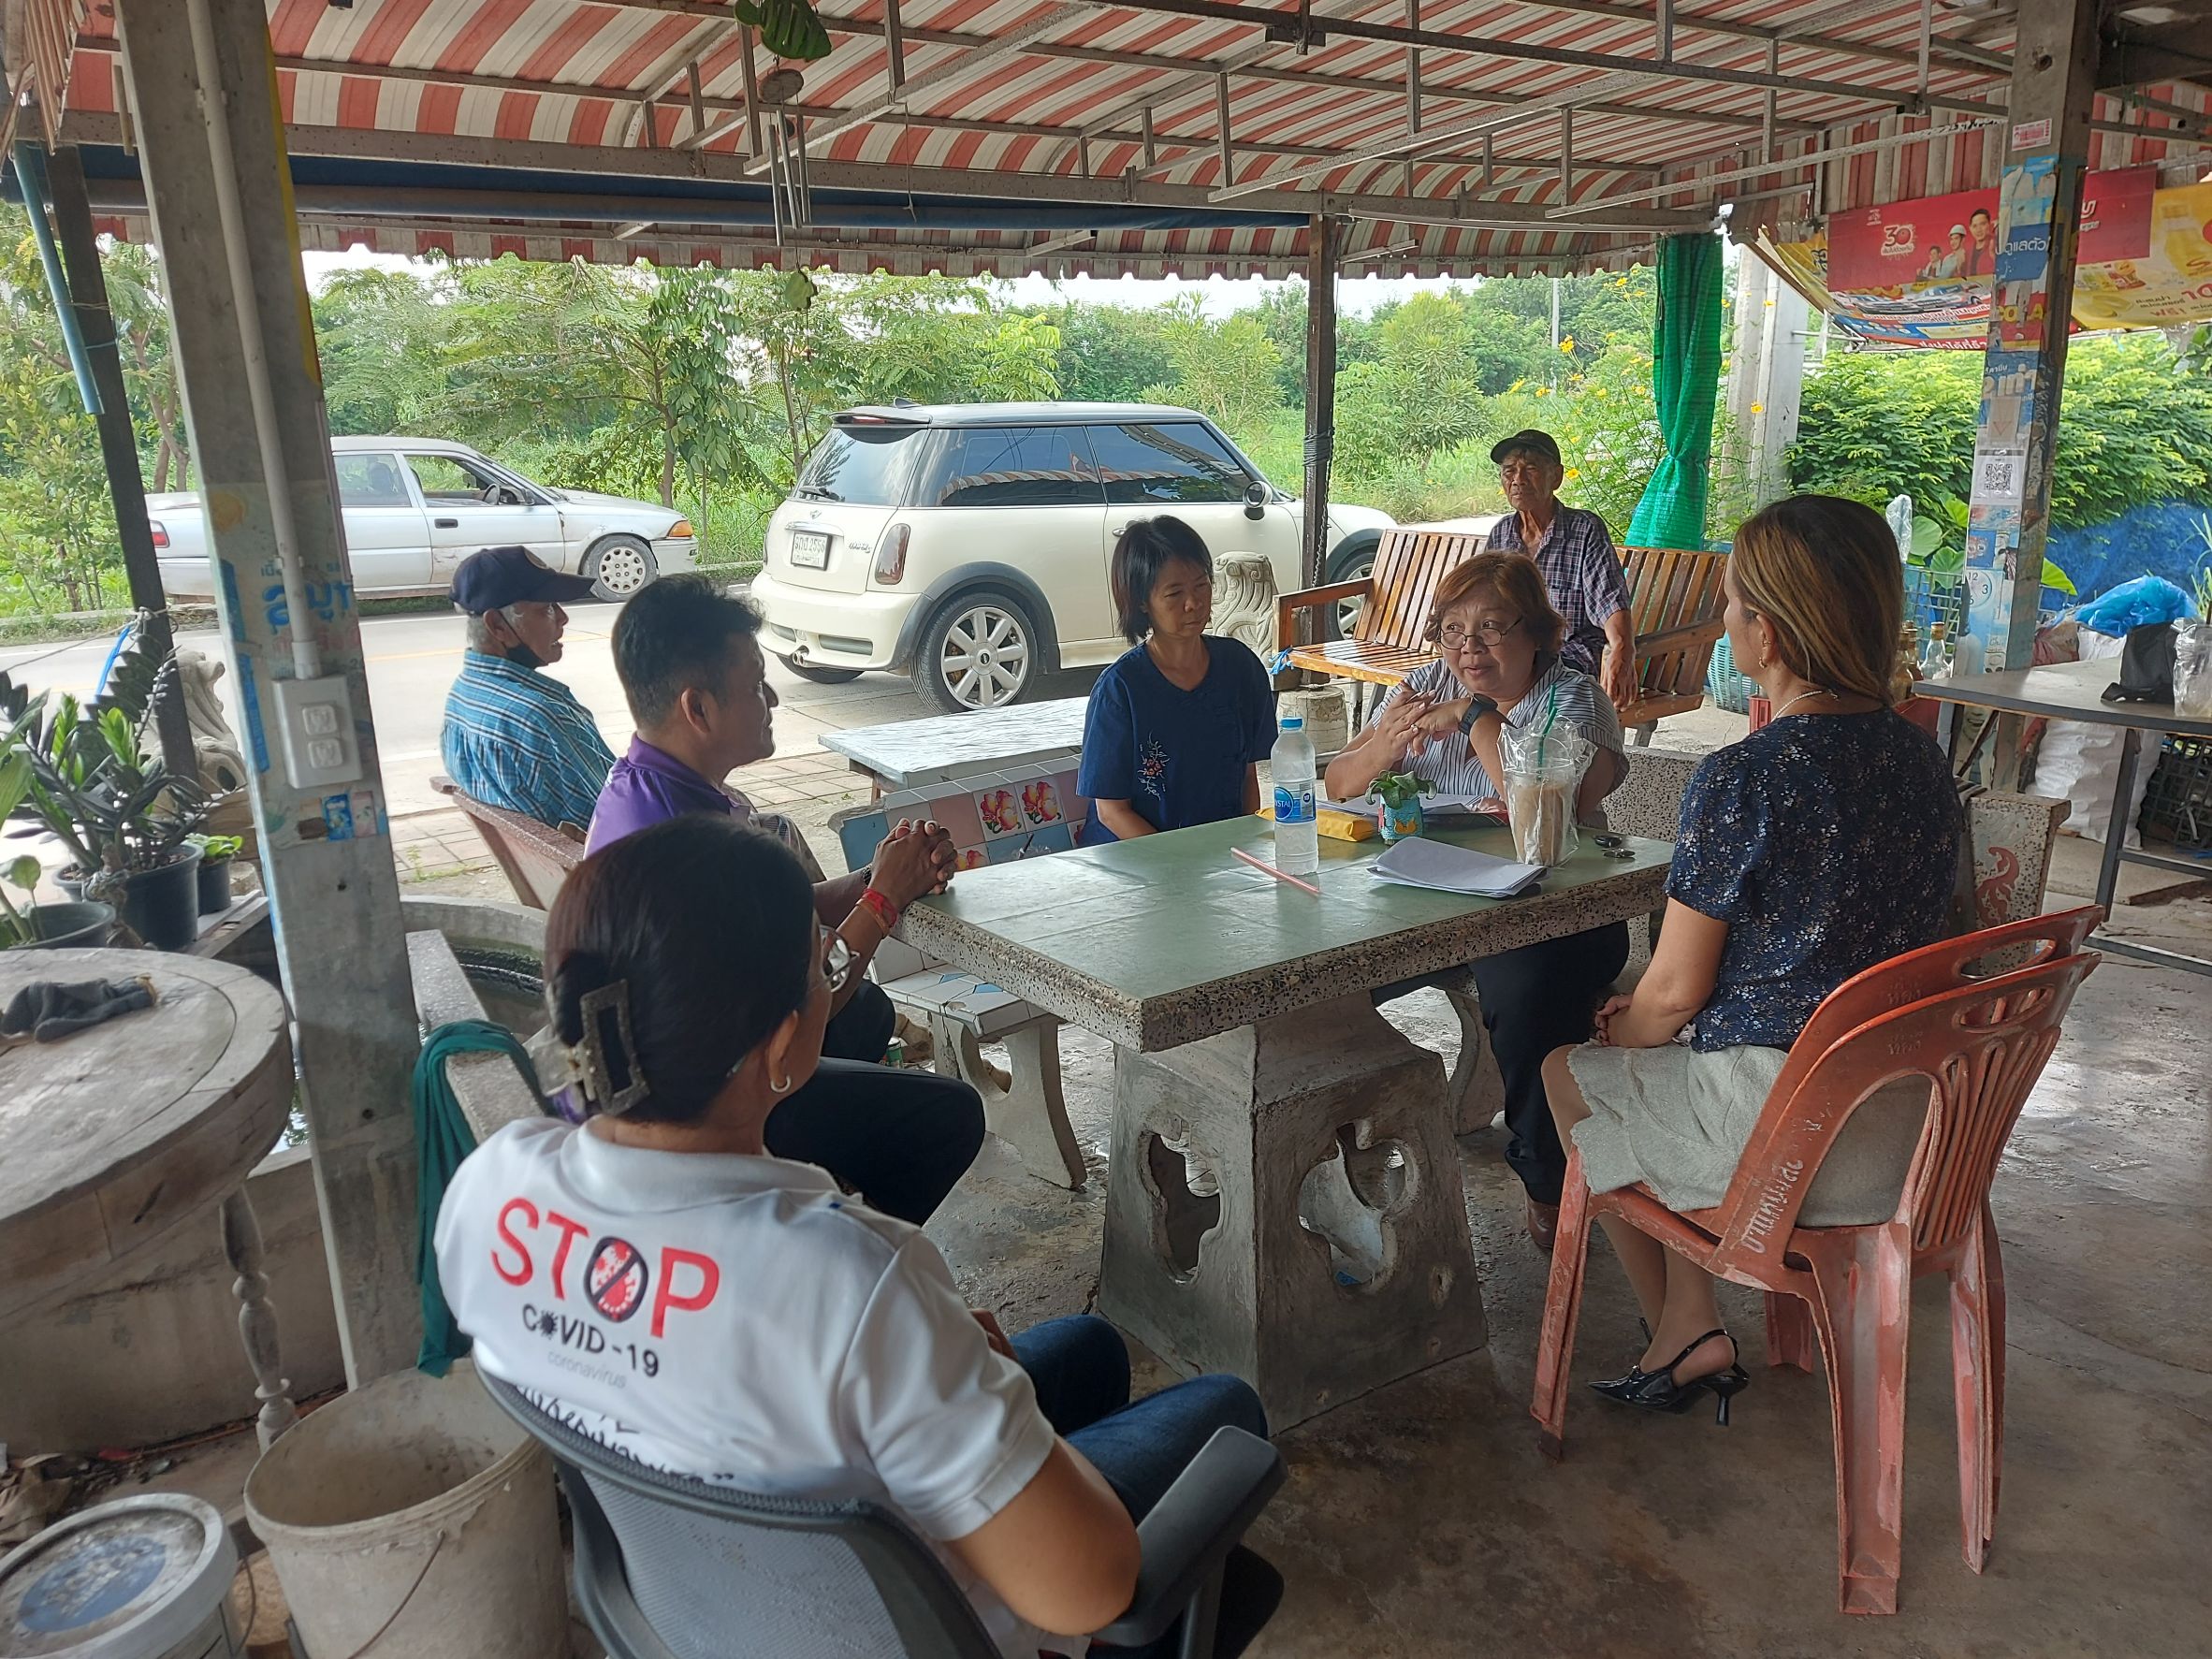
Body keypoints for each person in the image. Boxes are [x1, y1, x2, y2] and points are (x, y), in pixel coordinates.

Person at [435, 815, 1275, 1657]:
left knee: (1092, 1348)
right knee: (1229, 1414)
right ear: (780, 1045)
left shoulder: (488, 1191)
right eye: (820, 964)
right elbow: (1090, 1588)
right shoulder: (852, 1279)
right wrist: (986, 1394)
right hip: (922, 1628)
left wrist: (962, 1381)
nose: (830, 978)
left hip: (703, 1608)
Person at [1541, 495, 1961, 1421]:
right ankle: (1692, 1326)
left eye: (1731, 605)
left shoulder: (1746, 775)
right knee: (1637, 1050)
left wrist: (1634, 1030)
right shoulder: (1924, 763)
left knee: (1569, 1069)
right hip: (1913, 1130)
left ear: (1764, 631)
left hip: (1789, 1135)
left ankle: (1685, 1323)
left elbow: (1676, 988)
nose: (1725, 622)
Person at [587, 576, 982, 1222]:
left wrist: (876, 877)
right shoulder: (684, 843)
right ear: (699, 708)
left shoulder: (656, 788)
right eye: (754, 685)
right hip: (698, 1111)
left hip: (684, 1066)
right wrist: (883, 899)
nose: (772, 698)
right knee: (950, 1114)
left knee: (868, 1011)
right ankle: (854, 1252)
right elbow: (807, 989)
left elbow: (778, 909)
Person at [1326, 552, 1627, 1251]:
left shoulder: (1571, 697)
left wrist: (1477, 717)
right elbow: (1340, 781)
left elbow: (1544, 812)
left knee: (1528, 993)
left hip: (1556, 914)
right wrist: (1387, 744)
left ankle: (1547, 1180)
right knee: (1321, 976)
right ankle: (1337, 1147)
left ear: (1538, 634)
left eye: (1492, 628)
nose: (1469, 648)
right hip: (1429, 901)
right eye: (1453, 630)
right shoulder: (1427, 681)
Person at [1078, 517, 1276, 844]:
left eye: (1201, 585)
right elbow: (1111, 811)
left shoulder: (1239, 667)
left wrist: (1243, 845)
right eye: (1174, 593)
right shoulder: (1120, 689)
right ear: (1142, 602)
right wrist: (1176, 865)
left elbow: (1247, 777)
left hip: (1215, 856)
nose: (1193, 603)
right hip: (1134, 860)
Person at [439, 546, 613, 830]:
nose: (563, 618)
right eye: (545, 608)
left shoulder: (462, 695)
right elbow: (616, 818)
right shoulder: (540, 716)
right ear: (497, 625)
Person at [1478, 430, 1638, 708]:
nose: (1518, 480)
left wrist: (1622, 650)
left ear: (1557, 476)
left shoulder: (1585, 529)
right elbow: (1483, 602)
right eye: (1509, 471)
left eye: (1531, 469)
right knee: (1454, 672)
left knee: (1522, 680)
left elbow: (1610, 603)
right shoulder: (1501, 534)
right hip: (1514, 651)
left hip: (1569, 653)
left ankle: (1506, 744)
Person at [1964, 206, 1996, 276]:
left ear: (1990, 225)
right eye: (1975, 226)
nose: (1978, 230)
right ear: (1970, 229)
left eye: (1983, 224)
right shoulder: (1968, 252)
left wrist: (1994, 256)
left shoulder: (1997, 244)